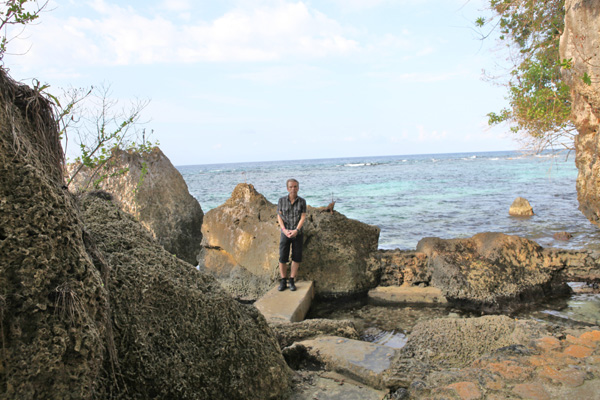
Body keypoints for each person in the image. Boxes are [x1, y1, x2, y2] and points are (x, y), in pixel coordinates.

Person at [277, 178, 307, 291]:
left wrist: (297, 230)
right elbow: (279, 216)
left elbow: (303, 216)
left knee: (296, 257)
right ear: (287, 188)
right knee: (282, 257)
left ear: (298, 188)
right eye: (291, 187)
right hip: (285, 232)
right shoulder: (281, 200)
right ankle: (283, 280)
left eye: (295, 186)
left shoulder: (302, 201)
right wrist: (284, 230)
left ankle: (292, 280)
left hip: (297, 233)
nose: (293, 189)